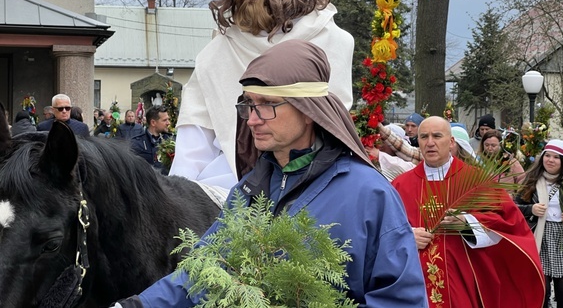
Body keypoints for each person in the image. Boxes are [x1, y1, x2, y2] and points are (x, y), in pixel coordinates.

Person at [113, 40, 428, 307]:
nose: (251, 120)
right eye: (249, 105)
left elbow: (400, 298)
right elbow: (203, 271)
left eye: (266, 105)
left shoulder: (369, 195)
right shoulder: (249, 192)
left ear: (308, 111)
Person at [169, 0, 354, 189]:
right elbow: (195, 137)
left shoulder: (329, 40)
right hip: (226, 186)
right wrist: (180, 196)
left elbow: (331, 127)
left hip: (310, 182)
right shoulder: (219, 50)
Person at [392, 116, 545, 308]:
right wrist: (406, 237)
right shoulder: (400, 186)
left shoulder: (476, 181)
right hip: (415, 285)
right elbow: (383, 231)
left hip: (463, 282)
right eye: (424, 137)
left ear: (451, 142)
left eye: (437, 136)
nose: (430, 143)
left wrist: (468, 224)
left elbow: (507, 222)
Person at [515, 139, 563, 308]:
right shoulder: (532, 180)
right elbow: (515, 208)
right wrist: (531, 209)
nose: (550, 160)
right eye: (547, 156)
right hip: (538, 240)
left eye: (556, 157)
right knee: (540, 293)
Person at [130, 106, 171, 173]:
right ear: (153, 123)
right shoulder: (137, 143)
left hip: (167, 182)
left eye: (168, 119)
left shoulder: (171, 141)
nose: (168, 123)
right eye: (164, 120)